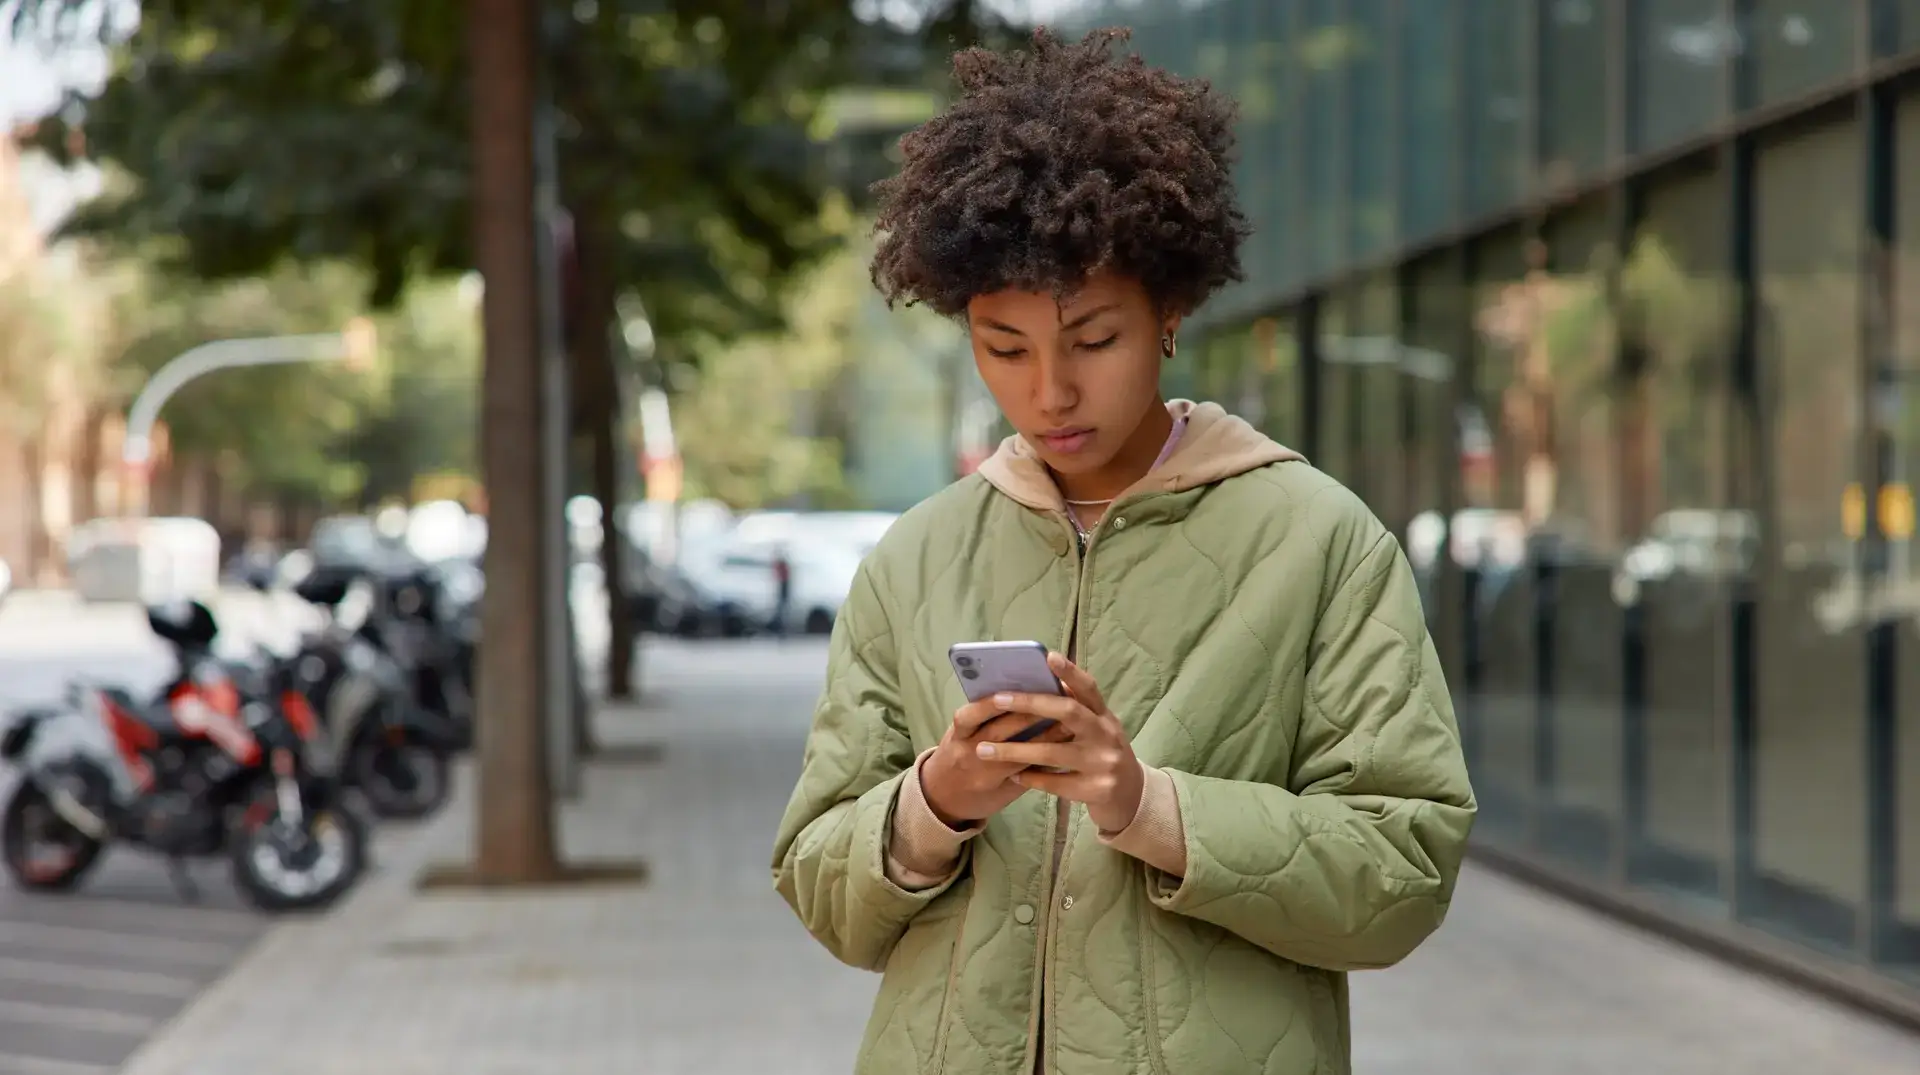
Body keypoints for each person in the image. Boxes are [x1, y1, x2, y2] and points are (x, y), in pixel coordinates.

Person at [771, 27, 1475, 1075]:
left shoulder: (1320, 544)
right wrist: (936, 798)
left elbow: (1404, 872)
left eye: (1094, 339)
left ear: (1172, 312)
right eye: (1003, 348)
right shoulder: (914, 559)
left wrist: (1147, 806)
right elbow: (820, 882)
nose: (1049, 391)